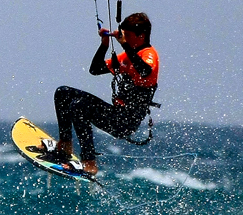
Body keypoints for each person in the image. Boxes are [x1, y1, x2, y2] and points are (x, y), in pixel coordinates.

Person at [45, 12, 159, 175]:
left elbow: (145, 71)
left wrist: (125, 45)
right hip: (116, 113)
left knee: (79, 106)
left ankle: (89, 162)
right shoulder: (127, 57)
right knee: (63, 93)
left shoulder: (149, 55)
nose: (123, 39)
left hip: (126, 122)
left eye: (127, 36)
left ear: (141, 36)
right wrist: (104, 45)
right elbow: (95, 69)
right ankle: (65, 145)